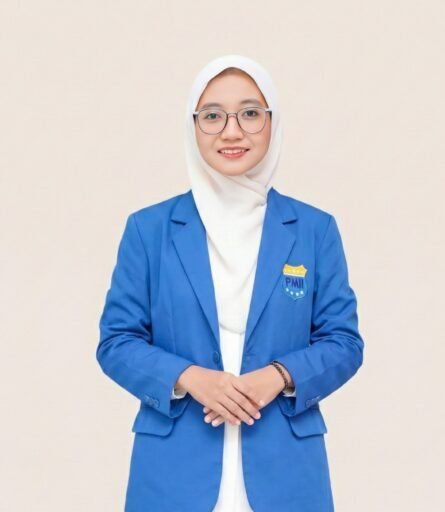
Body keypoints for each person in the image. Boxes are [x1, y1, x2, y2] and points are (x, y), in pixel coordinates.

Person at [96, 54, 364, 512]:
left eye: (250, 113)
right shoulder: (149, 229)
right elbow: (117, 342)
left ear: (272, 122)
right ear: (193, 126)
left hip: (287, 472)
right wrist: (190, 378)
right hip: (173, 473)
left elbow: (344, 343)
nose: (232, 131)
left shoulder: (314, 230)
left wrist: (278, 377)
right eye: (213, 116)